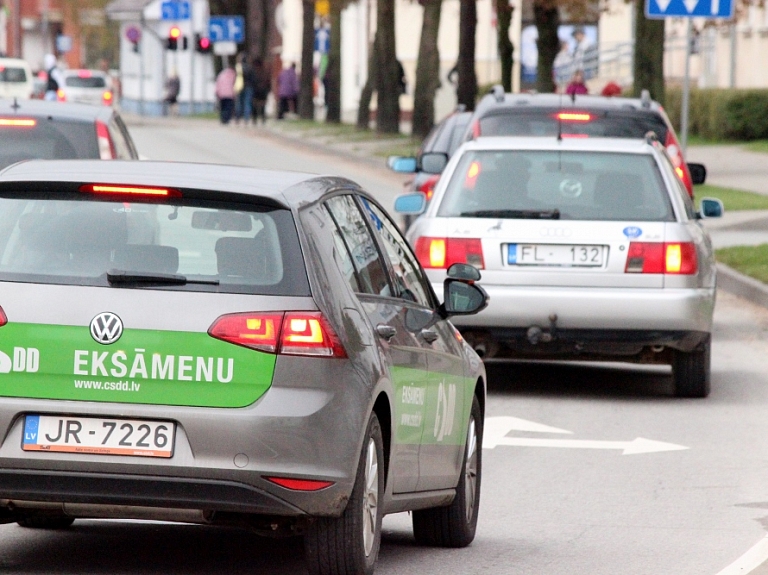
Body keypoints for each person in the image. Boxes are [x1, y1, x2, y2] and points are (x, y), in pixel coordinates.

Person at [251, 57, 271, 125]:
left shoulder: (253, 72)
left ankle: (255, 119)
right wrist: (268, 90)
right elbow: (268, 82)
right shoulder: (265, 72)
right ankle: (263, 119)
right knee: (262, 106)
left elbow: (252, 82)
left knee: (255, 106)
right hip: (263, 90)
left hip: (256, 91)